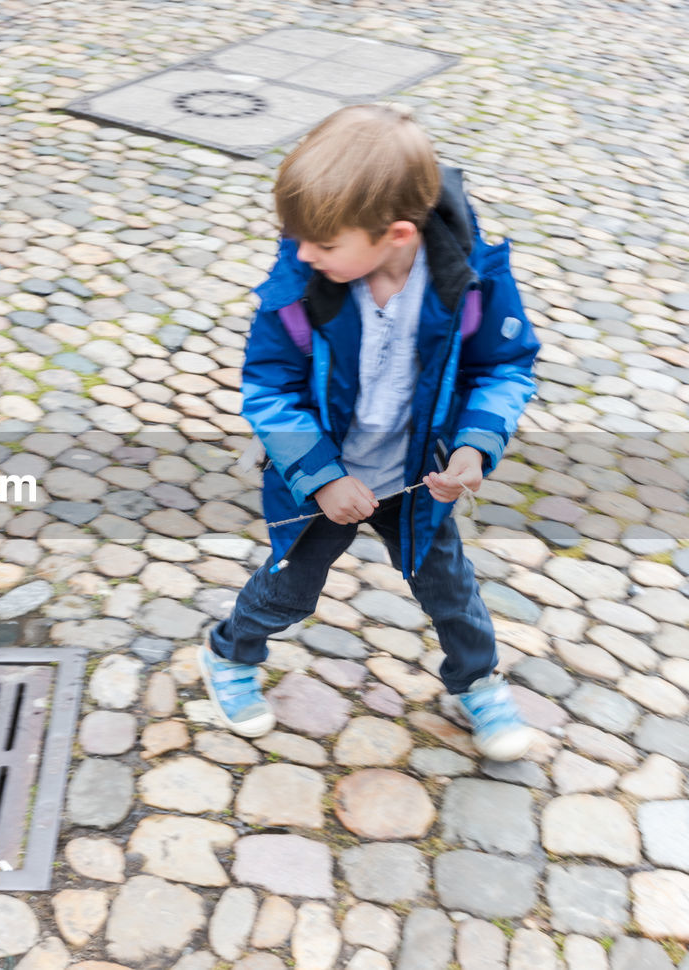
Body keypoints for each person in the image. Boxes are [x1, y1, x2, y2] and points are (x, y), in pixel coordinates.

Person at [201, 103, 540, 762]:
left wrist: (474, 446)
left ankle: (475, 681)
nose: (303, 253)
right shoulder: (301, 283)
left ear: (398, 234)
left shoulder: (471, 283)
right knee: (289, 587)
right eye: (299, 238)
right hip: (323, 481)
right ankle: (228, 654)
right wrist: (323, 477)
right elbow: (269, 390)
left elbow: (502, 368)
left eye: (324, 244)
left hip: (419, 477)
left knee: (450, 589)